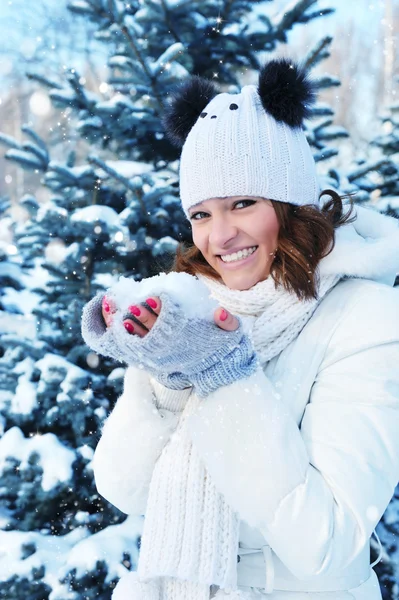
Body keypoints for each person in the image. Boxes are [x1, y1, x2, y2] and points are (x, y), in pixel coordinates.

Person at [81, 58, 399, 600]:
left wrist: (224, 375)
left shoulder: (369, 320)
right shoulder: (195, 309)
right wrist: (168, 379)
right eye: (201, 214)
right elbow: (124, 490)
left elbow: (325, 543)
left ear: (291, 204)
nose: (220, 235)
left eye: (243, 204)